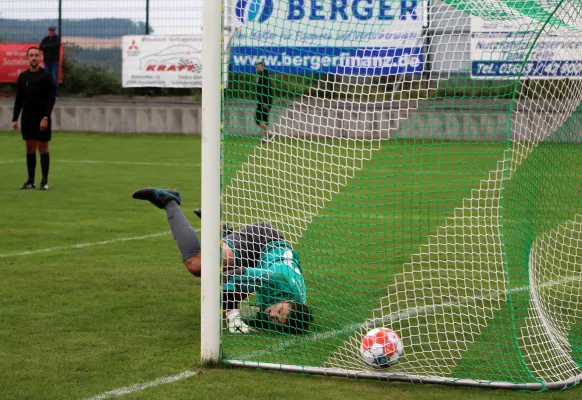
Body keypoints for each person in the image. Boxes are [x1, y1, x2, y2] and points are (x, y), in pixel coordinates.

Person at [132, 187, 313, 335]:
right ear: (289, 301)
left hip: (263, 258)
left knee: (226, 298)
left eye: (276, 318)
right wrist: (234, 314)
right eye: (279, 310)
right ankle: (169, 200)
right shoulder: (276, 279)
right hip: (260, 240)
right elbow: (228, 277)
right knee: (198, 265)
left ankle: (225, 234)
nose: (272, 313)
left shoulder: (295, 306)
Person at [11, 47, 57, 190]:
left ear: (40, 58)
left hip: (41, 117)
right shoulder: (23, 76)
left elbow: (51, 99)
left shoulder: (46, 76)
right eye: (31, 55)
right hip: (27, 117)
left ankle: (44, 181)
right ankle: (30, 181)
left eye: (36, 55)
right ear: (27, 58)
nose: (34, 58)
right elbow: (19, 99)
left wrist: (45, 117)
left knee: (43, 147)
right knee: (29, 148)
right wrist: (15, 118)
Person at [39, 26, 61, 95]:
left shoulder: (57, 38)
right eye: (50, 30)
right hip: (47, 61)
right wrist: (50, 47)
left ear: (55, 31)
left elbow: (56, 46)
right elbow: (41, 47)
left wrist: (47, 46)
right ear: (48, 31)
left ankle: (55, 92)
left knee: (54, 77)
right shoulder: (45, 38)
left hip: (55, 62)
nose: (51, 32)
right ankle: (47, 92)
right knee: (46, 77)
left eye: (53, 30)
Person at [255, 61, 274, 143]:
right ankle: (265, 138)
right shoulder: (261, 76)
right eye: (257, 67)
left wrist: (265, 102)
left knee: (257, 119)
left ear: (263, 68)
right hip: (265, 101)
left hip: (264, 101)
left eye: (259, 67)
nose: (258, 68)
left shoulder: (264, 77)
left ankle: (269, 133)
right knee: (265, 119)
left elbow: (267, 90)